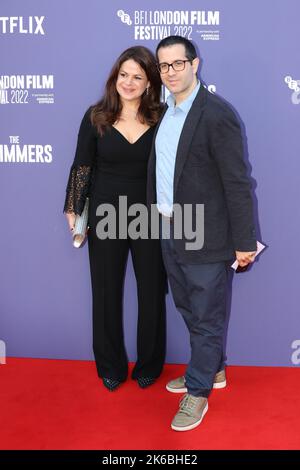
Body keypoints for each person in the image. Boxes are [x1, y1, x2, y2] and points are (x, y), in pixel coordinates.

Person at [147, 36, 257, 431]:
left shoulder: (216, 113)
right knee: (189, 308)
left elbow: (238, 182)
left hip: (206, 233)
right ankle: (212, 370)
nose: (171, 72)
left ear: (195, 64)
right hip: (169, 229)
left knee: (207, 316)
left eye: (178, 64)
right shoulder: (165, 113)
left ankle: (198, 391)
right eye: (164, 66)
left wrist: (245, 241)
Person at [63, 46, 167, 391]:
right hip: (106, 212)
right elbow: (82, 164)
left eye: (138, 76)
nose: (129, 82)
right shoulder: (96, 116)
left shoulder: (163, 116)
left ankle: (150, 364)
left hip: (149, 214)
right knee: (105, 291)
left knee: (152, 291)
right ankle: (110, 365)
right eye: (124, 74)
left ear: (150, 81)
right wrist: (74, 208)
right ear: (114, 77)